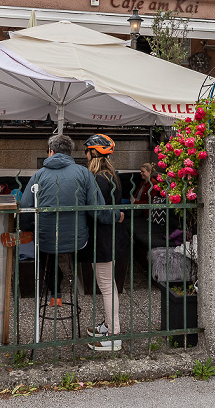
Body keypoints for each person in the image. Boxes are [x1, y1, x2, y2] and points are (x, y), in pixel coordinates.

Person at [19, 134, 123, 314]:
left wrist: (26, 229)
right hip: (78, 242)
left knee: (44, 248)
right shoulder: (83, 173)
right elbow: (97, 209)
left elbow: (26, 209)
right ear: (69, 153)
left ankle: (54, 290)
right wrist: (116, 215)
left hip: (46, 241)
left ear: (51, 151)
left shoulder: (38, 175)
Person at [84, 134, 128, 352]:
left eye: (87, 150)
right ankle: (107, 326)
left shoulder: (97, 179)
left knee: (107, 287)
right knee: (107, 284)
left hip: (101, 239)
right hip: (111, 236)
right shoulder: (112, 175)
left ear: (93, 153)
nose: (85, 154)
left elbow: (97, 212)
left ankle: (114, 335)